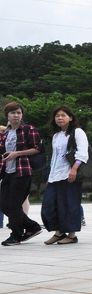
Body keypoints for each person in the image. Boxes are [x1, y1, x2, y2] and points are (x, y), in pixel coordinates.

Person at [41, 106, 88, 245]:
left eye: (63, 115)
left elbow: (83, 152)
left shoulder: (77, 132)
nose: (60, 118)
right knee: (50, 205)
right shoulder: (56, 135)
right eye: (57, 116)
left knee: (69, 205)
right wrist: (50, 176)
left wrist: (74, 169)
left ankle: (72, 235)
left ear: (71, 118)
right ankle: (59, 232)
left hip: (70, 174)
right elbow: (55, 157)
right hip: (55, 175)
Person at [0, 102, 42, 246]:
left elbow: (37, 148)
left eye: (18, 112)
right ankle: (32, 227)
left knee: (14, 204)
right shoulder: (5, 133)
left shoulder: (28, 129)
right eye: (13, 113)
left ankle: (16, 235)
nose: (16, 115)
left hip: (22, 171)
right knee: (4, 204)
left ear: (22, 114)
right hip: (7, 172)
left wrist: (17, 153)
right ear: (7, 115)